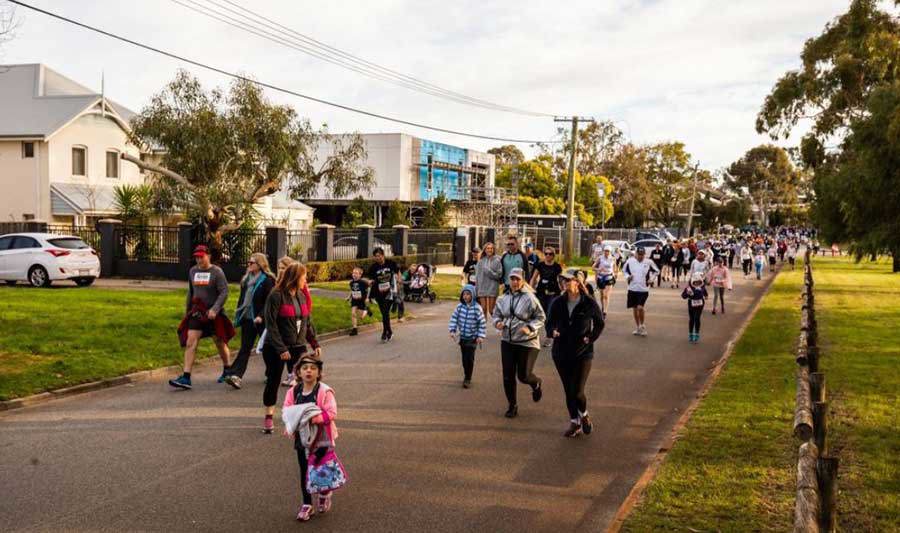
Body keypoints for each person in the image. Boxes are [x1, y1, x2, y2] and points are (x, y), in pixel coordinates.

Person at [282, 354, 342, 522]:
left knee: (320, 469)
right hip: (302, 438)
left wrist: (313, 419)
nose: (309, 371)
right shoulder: (293, 391)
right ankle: (307, 504)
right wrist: (289, 426)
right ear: (298, 372)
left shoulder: (324, 391)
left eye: (313, 368)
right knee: (304, 472)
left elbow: (331, 412)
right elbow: (287, 410)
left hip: (322, 438)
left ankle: (324, 493)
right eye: (305, 368)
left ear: (319, 372)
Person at [262, 262, 320, 434]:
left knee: (305, 380)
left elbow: (307, 322)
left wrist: (314, 342)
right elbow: (270, 324)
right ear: (295, 278)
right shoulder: (276, 295)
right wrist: (281, 349)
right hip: (275, 347)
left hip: (297, 345)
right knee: (273, 380)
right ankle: (268, 416)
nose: (306, 280)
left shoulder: (301, 295)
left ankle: (300, 416)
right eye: (304, 276)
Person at [547, 269, 604, 437]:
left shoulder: (588, 302)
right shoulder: (558, 302)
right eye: (562, 280)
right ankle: (574, 422)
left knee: (578, 391)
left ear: (577, 283)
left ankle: (584, 416)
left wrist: (591, 337)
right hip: (561, 352)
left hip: (582, 353)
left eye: (568, 280)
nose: (564, 282)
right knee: (568, 390)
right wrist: (552, 332)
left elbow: (599, 323)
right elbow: (549, 323)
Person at [170, 245, 234, 390]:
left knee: (219, 342)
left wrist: (215, 309)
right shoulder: (193, 271)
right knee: (190, 342)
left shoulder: (217, 272)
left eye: (201, 256)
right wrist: (188, 311)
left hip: (213, 314)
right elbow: (191, 291)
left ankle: (227, 369)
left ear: (208, 256)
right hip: (197, 312)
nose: (199, 260)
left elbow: (224, 292)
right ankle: (186, 377)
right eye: (197, 257)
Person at [492, 267, 545, 419]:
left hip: (527, 343)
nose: (514, 282)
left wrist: (529, 327)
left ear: (522, 281)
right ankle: (512, 405)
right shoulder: (503, 298)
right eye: (512, 279)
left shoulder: (530, 298)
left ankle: (536, 383)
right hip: (507, 341)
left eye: (517, 279)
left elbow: (541, 317)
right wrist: (497, 323)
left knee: (523, 376)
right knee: (508, 376)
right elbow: (496, 315)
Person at [224, 253, 275, 389]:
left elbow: (269, 302)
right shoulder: (246, 280)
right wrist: (238, 314)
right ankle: (235, 376)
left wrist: (261, 316)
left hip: (262, 320)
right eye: (248, 262)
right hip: (248, 318)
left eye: (252, 263)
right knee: (245, 348)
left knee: (267, 348)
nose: (249, 265)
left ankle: (272, 373)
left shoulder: (267, 280)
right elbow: (242, 299)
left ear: (260, 265)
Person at [448, 284, 487, 388]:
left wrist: (481, 336)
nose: (465, 296)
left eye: (468, 294)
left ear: (473, 295)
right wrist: (452, 330)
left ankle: (468, 378)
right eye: (464, 294)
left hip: (473, 338)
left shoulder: (477, 308)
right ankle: (466, 373)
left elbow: (482, 323)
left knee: (469, 358)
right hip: (463, 338)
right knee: (464, 359)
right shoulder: (459, 307)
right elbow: (454, 318)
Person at [365, 248, 400, 343]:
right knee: (384, 313)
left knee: (385, 312)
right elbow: (370, 279)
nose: (377, 258)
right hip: (378, 293)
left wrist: (398, 278)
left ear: (383, 255)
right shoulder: (373, 267)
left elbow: (397, 272)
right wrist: (370, 281)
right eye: (375, 256)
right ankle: (390, 331)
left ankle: (384, 332)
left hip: (390, 292)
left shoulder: (390, 263)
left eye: (379, 256)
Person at [530, 246, 563, 347]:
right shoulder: (540, 265)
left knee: (549, 315)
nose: (548, 256)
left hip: (553, 294)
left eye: (550, 254)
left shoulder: (557, 267)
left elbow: (561, 280)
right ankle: (537, 333)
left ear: (554, 255)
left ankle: (549, 337)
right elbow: (533, 278)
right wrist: (530, 291)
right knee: (541, 315)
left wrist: (563, 290)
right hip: (541, 293)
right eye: (546, 254)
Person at [623, 247, 659, 337]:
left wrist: (651, 279)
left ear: (644, 254)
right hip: (632, 288)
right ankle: (638, 327)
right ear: (636, 254)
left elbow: (657, 271)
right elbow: (624, 270)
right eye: (639, 254)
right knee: (635, 309)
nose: (640, 256)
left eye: (642, 255)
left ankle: (642, 326)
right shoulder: (630, 261)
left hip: (643, 289)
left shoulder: (649, 262)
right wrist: (628, 276)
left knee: (640, 308)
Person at [475, 242, 503, 318]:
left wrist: (489, 272)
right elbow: (477, 276)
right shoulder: (480, 261)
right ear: (485, 250)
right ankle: (483, 327)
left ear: (493, 250)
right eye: (488, 248)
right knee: (483, 309)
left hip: (492, 287)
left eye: (491, 248)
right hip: (482, 287)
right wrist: (476, 288)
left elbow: (499, 275)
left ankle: (498, 324)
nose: (489, 250)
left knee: (491, 310)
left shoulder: (497, 260)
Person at [682, 272, 708, 343]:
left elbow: (705, 293)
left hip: (700, 304)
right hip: (691, 304)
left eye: (699, 282)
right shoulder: (689, 287)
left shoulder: (702, 286)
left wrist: (706, 296)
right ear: (692, 281)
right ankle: (690, 334)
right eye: (695, 282)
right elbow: (683, 296)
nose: (697, 283)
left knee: (697, 318)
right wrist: (687, 293)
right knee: (692, 319)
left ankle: (696, 334)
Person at [592, 245, 617, 318]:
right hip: (601, 278)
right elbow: (593, 268)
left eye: (608, 251)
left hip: (609, 278)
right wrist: (599, 270)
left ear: (610, 252)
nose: (606, 252)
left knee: (606, 295)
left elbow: (615, 268)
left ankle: (605, 311)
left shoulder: (613, 259)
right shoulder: (600, 258)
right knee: (602, 295)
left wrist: (615, 274)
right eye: (605, 251)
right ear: (604, 251)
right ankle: (603, 307)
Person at [347, 267, 370, 336]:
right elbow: (352, 290)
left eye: (356, 273)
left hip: (361, 300)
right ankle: (354, 329)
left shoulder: (363, 282)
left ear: (360, 275)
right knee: (353, 313)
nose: (354, 274)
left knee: (361, 317)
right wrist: (349, 297)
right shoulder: (351, 282)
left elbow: (369, 289)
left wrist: (367, 297)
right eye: (353, 273)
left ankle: (367, 310)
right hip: (354, 300)